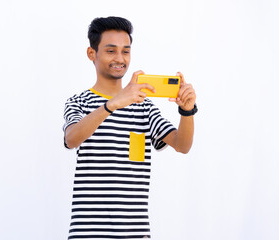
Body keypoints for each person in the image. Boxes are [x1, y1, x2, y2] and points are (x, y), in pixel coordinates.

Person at [63, 16, 197, 239]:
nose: (120, 58)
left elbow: (182, 145)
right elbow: (71, 139)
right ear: (91, 54)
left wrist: (187, 111)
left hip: (135, 234)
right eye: (110, 51)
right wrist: (112, 104)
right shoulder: (78, 102)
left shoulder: (144, 107)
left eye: (126, 51)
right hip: (88, 233)